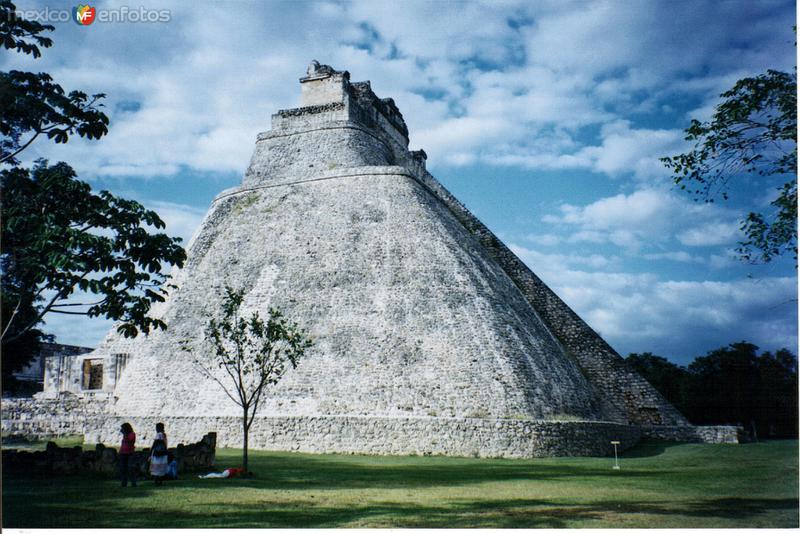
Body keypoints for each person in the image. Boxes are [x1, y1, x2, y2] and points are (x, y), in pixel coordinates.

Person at [119, 422, 137, 487]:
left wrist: (125, 434)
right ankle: (124, 483)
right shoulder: (125, 435)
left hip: (130, 453)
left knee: (131, 468)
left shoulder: (132, 434)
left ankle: (133, 482)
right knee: (123, 469)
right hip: (123, 453)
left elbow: (129, 441)